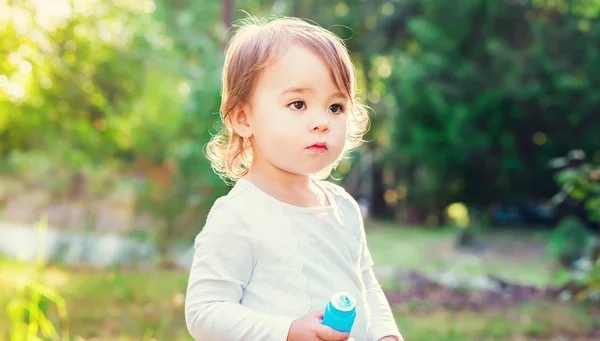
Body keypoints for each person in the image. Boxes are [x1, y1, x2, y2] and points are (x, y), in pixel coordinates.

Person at [184, 15, 403, 341]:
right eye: (298, 103)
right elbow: (205, 312)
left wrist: (386, 334)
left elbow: (366, 285)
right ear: (244, 118)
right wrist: (287, 331)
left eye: (335, 107)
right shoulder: (239, 215)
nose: (321, 122)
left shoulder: (342, 207)